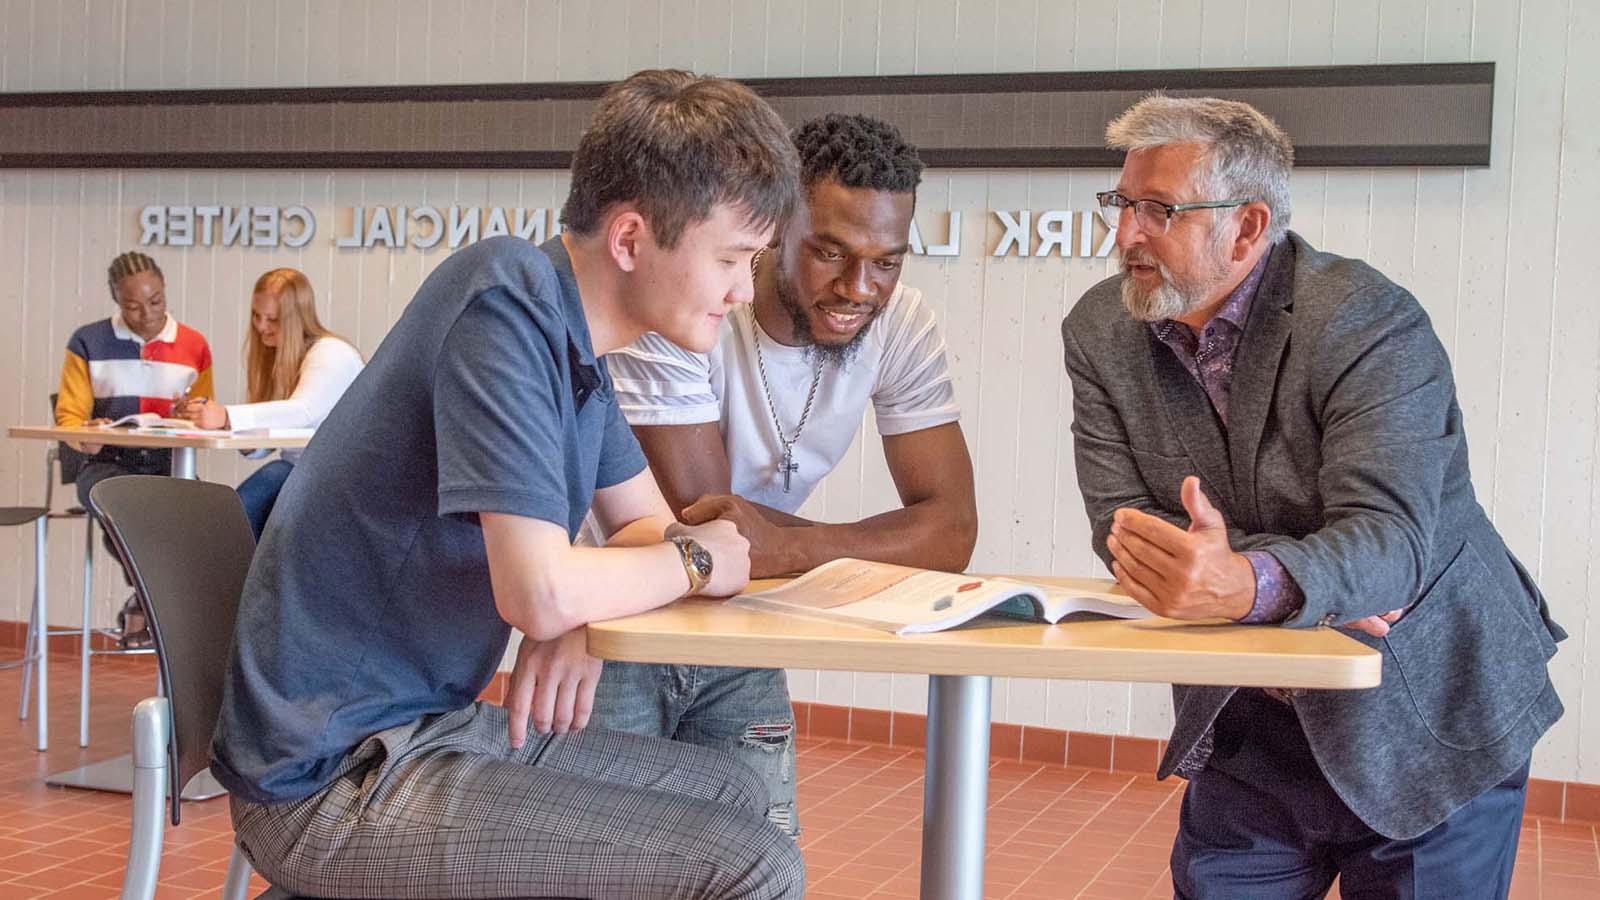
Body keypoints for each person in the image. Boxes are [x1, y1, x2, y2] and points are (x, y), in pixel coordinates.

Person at [210, 69, 806, 900]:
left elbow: (641, 529)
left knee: (734, 791)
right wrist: (686, 566)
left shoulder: (575, 348)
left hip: (423, 728)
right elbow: (544, 586)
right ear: (632, 239)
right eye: (733, 260)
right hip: (331, 776)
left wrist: (584, 604)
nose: (744, 292)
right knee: (753, 863)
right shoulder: (506, 303)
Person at [1061, 94, 1565, 899]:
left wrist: (1241, 579)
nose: (1125, 234)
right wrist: (1291, 588)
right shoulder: (1098, 330)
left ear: (1249, 227)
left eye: (1159, 210)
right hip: (1250, 726)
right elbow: (1122, 525)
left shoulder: (1366, 321)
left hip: (1426, 711)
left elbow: (1391, 545)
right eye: (1122, 204)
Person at [592, 113, 977, 835]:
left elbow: (951, 530)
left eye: (887, 262)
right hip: (618, 623)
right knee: (604, 865)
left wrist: (789, 547)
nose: (859, 288)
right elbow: (700, 522)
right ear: (773, 231)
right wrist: (874, 544)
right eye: (828, 253)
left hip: (749, 618)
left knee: (763, 856)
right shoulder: (690, 304)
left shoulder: (902, 326)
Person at [56, 250, 214, 647]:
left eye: (156, 301)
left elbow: (206, 416)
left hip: (167, 463)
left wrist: (192, 412)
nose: (147, 315)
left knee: (193, 517)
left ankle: (142, 607)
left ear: (165, 291)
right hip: (106, 462)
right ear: (116, 301)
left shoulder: (194, 345)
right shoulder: (87, 342)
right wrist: (84, 432)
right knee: (126, 508)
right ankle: (154, 606)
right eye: (133, 306)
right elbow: (69, 418)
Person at [174, 268, 363, 538]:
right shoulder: (285, 358)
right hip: (306, 471)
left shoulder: (332, 354)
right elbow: (281, 433)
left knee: (240, 511)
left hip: (337, 477)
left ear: (297, 318)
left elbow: (302, 412)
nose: (262, 327)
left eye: (272, 319)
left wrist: (227, 417)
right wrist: (227, 426)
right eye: (256, 316)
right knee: (239, 509)